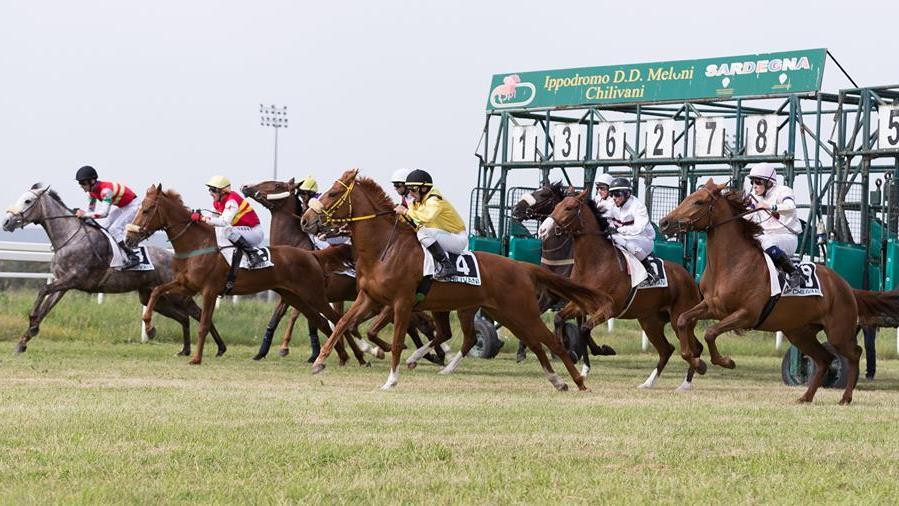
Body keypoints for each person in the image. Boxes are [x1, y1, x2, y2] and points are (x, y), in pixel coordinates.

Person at [194, 175, 265, 294]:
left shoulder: (232, 200)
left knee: (226, 230)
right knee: (220, 230)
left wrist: (202, 218)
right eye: (210, 190)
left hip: (254, 232)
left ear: (222, 191)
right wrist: (200, 217)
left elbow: (223, 222)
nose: (210, 193)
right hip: (243, 231)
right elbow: (213, 219)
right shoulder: (218, 202)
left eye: (213, 190)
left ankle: (254, 255)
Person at [395, 169, 467, 280]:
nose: (411, 194)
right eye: (409, 190)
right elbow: (411, 220)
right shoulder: (417, 202)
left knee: (422, 232)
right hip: (442, 236)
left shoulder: (434, 200)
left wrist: (404, 211)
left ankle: (447, 266)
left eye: (413, 190)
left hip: (457, 239)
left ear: (424, 189)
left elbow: (426, 218)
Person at [745, 162, 802, 289]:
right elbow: (747, 215)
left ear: (769, 182)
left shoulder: (783, 191)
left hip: (787, 237)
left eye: (758, 182)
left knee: (762, 239)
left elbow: (790, 207)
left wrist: (770, 206)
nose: (754, 186)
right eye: (752, 182)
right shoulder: (754, 197)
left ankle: (794, 273)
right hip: (767, 237)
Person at [73, 165, 142, 269]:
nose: (81, 186)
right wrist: (81, 215)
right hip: (123, 206)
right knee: (104, 227)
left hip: (133, 206)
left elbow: (104, 213)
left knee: (114, 229)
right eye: (79, 183)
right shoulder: (91, 193)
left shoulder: (105, 191)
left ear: (92, 181)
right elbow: (90, 211)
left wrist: (85, 215)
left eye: (83, 183)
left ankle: (132, 256)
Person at [606, 177, 657, 282]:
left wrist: (618, 231)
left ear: (627, 194)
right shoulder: (612, 204)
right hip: (623, 236)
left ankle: (650, 271)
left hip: (643, 239)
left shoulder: (638, 206)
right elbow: (603, 216)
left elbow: (639, 228)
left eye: (617, 194)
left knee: (630, 245)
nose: (613, 198)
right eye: (611, 194)